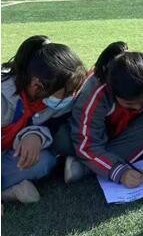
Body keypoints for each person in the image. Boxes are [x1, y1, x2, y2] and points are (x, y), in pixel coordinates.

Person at [63, 42, 143, 186]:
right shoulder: (95, 92)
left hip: (124, 132)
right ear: (113, 90)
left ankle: (88, 165)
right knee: (64, 140)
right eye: (129, 104)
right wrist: (120, 172)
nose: (137, 108)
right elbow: (87, 143)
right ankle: (91, 164)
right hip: (93, 133)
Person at [2, 36, 85, 203]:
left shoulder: (47, 97)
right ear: (37, 85)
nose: (72, 96)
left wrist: (35, 135)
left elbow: (49, 125)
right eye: (68, 92)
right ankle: (7, 194)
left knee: (43, 161)